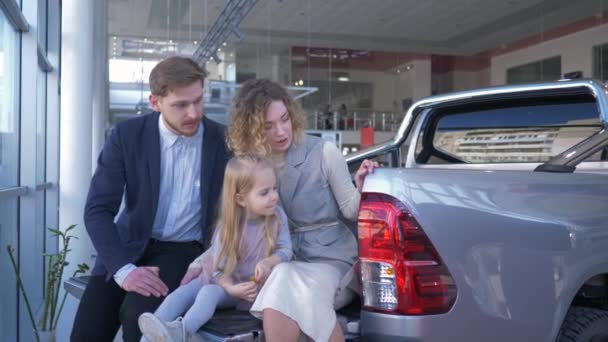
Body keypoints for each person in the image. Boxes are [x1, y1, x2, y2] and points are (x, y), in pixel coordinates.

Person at [71, 56, 230, 342]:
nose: (193, 113)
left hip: (184, 249)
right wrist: (123, 269)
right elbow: (98, 209)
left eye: (198, 100)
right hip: (128, 244)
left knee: (138, 318)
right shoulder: (127, 135)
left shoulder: (223, 141)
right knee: (86, 333)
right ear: (155, 102)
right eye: (181, 105)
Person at [227, 79, 378, 342]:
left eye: (284, 119)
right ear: (252, 130)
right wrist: (199, 264)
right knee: (283, 277)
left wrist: (363, 186)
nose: (281, 131)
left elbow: (352, 211)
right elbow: (236, 225)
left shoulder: (324, 152)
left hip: (331, 259)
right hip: (283, 260)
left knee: (283, 282)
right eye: (268, 126)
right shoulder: (251, 166)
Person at [137, 155, 292, 342]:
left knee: (208, 293)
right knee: (179, 294)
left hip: (243, 290)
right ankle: (150, 336)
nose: (274, 196)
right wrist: (230, 286)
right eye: (264, 192)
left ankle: (182, 332)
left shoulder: (277, 217)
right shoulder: (228, 229)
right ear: (241, 200)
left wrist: (269, 262)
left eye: (274, 189)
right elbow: (218, 272)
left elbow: (285, 250)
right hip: (223, 281)